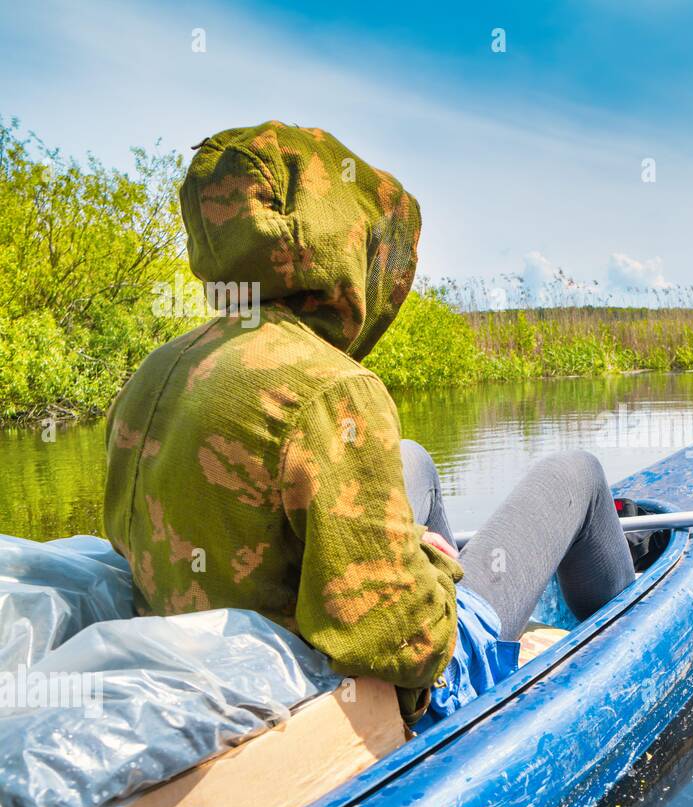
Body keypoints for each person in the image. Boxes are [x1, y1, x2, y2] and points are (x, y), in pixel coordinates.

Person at [103, 122, 634, 725]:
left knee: (413, 458)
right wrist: (435, 566)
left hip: (218, 657)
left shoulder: (160, 368)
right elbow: (407, 648)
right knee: (578, 472)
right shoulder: (331, 389)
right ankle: (631, 650)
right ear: (333, 238)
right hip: (374, 682)